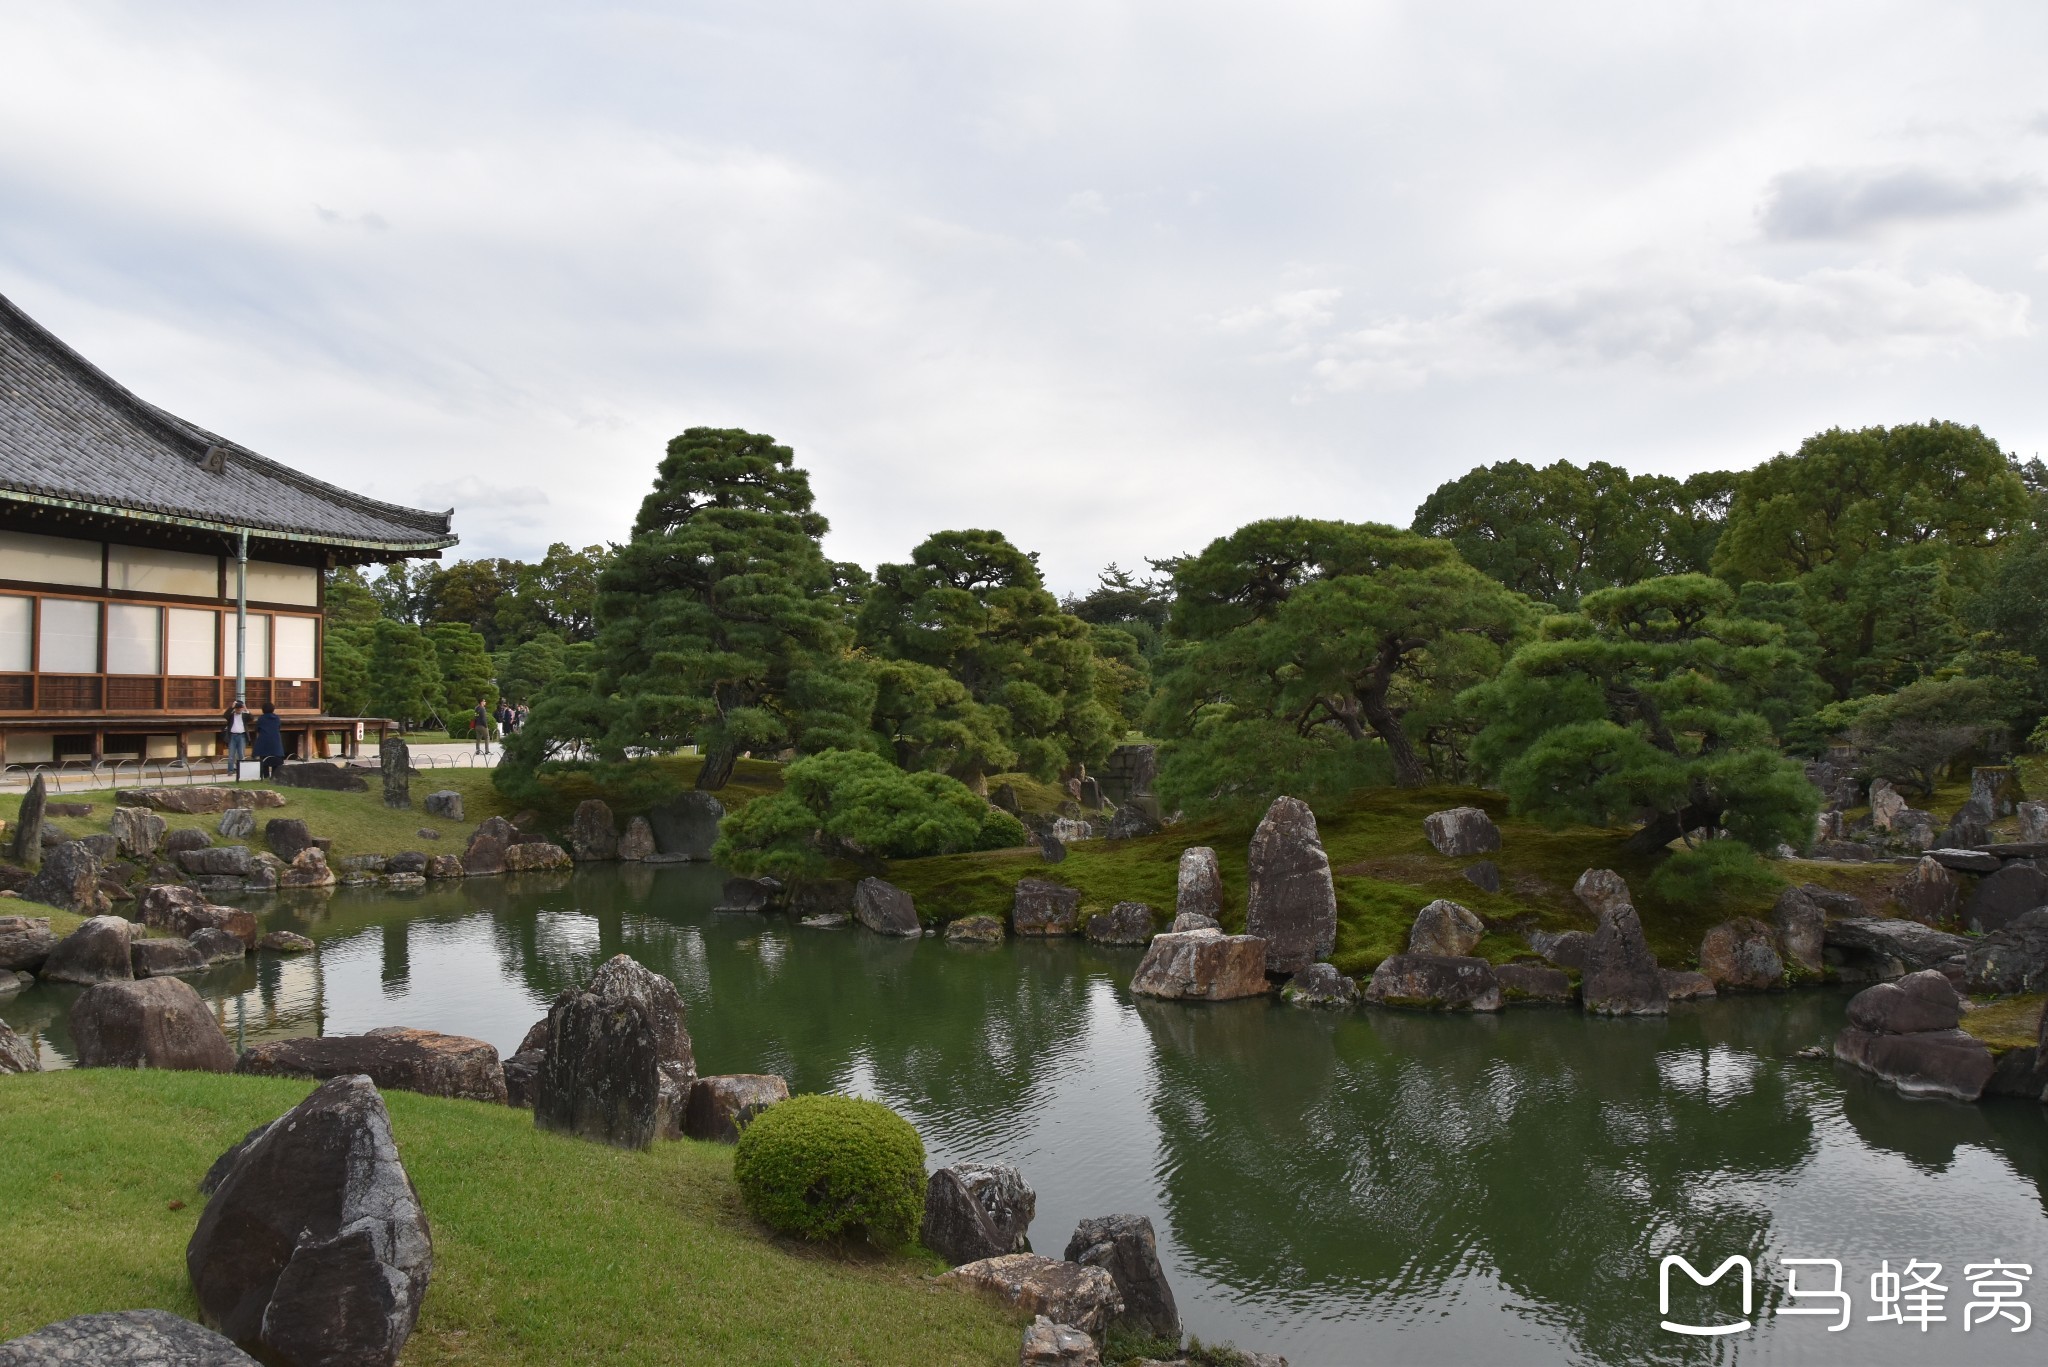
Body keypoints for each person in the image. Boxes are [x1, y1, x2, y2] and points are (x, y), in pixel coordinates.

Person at [254, 702, 286, 779]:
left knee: (265, 761)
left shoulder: (261, 718)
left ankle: (266, 777)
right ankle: (275, 777)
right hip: (275, 742)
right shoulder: (277, 718)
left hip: (264, 742)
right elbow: (278, 727)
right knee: (276, 762)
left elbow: (257, 729)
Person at [223, 699, 247, 779]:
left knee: (241, 754)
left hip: (241, 736)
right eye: (237, 708)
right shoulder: (231, 716)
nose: (238, 709)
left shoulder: (244, 715)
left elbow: (251, 718)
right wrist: (231, 707)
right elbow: (225, 715)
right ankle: (230, 770)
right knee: (231, 755)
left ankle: (242, 770)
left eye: (240, 708)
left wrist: (245, 709)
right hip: (232, 736)